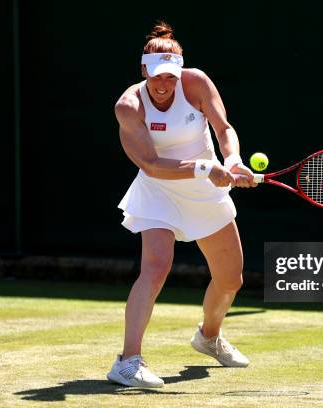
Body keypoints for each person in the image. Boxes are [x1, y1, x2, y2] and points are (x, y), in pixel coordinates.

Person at [107, 21, 256, 388]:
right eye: (156, 76)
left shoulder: (197, 83)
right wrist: (207, 167)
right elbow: (152, 165)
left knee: (230, 279)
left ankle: (209, 336)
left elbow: (223, 129)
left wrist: (233, 159)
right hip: (161, 189)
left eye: (170, 77)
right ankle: (127, 362)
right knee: (156, 267)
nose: (163, 84)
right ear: (143, 70)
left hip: (206, 190)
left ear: (180, 72)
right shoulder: (129, 107)